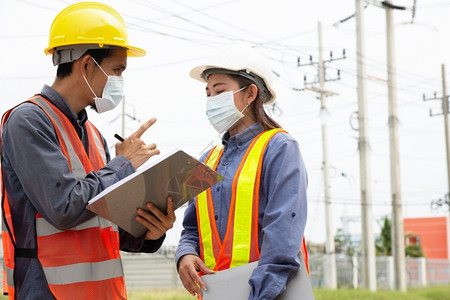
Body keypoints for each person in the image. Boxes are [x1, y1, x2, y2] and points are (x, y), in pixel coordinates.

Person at [0, 2, 175, 299]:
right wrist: (124, 163)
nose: (120, 81)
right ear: (86, 65)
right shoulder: (28, 121)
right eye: (117, 70)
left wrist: (151, 231)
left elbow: (104, 224)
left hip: (103, 292)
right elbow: (64, 207)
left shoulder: (93, 135)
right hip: (47, 291)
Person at [175, 44, 309, 299]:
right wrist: (185, 254)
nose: (211, 101)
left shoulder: (280, 149)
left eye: (220, 91)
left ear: (250, 94)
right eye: (208, 93)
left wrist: (259, 294)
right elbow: (191, 229)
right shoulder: (207, 160)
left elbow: (282, 239)